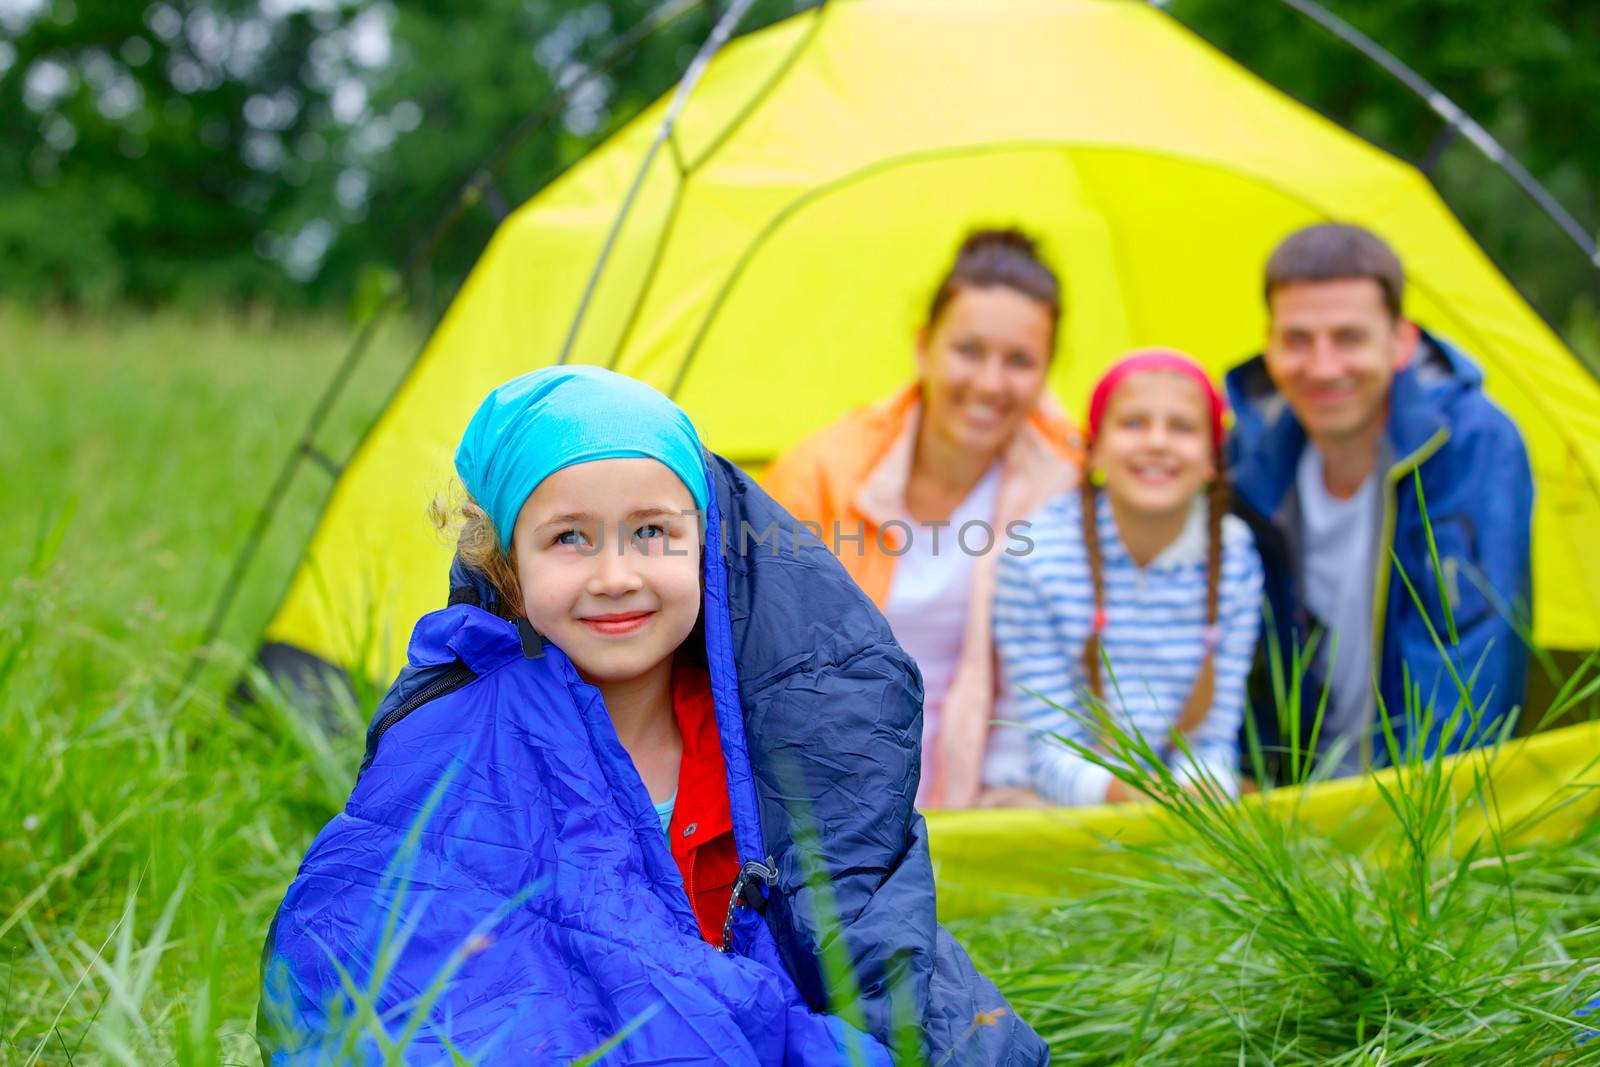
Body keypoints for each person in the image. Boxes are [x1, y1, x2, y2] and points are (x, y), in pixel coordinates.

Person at [258, 366, 1045, 1065]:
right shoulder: (456, 738)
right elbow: (385, 963)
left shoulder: (774, 740)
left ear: (708, 549)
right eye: (569, 538)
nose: (615, 574)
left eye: (652, 533)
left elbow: (861, 927)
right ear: (506, 562)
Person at [764, 228, 1080, 809]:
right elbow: (763, 658)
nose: (990, 383)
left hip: (998, 799)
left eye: (1019, 361)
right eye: (968, 351)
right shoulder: (823, 473)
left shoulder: (1066, 482)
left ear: (1045, 374)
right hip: (835, 794)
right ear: (923, 347)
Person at [1227, 223, 1533, 777]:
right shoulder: (1248, 457)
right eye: (1298, 339)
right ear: (1268, 344)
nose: (1322, 368)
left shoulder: (1470, 443)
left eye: (1349, 338)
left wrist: (1410, 837)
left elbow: (1470, 670)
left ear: (1402, 342)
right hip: (1287, 808)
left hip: (1419, 807)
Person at [989, 350, 1263, 805]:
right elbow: (1049, 747)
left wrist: (1198, 789)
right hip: (1041, 799)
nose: (1157, 442)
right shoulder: (1035, 556)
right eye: (1133, 423)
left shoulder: (1234, 558)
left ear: (1213, 459)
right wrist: (1131, 795)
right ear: (1093, 448)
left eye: (1182, 427)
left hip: (1170, 800)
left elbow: (1213, 740)